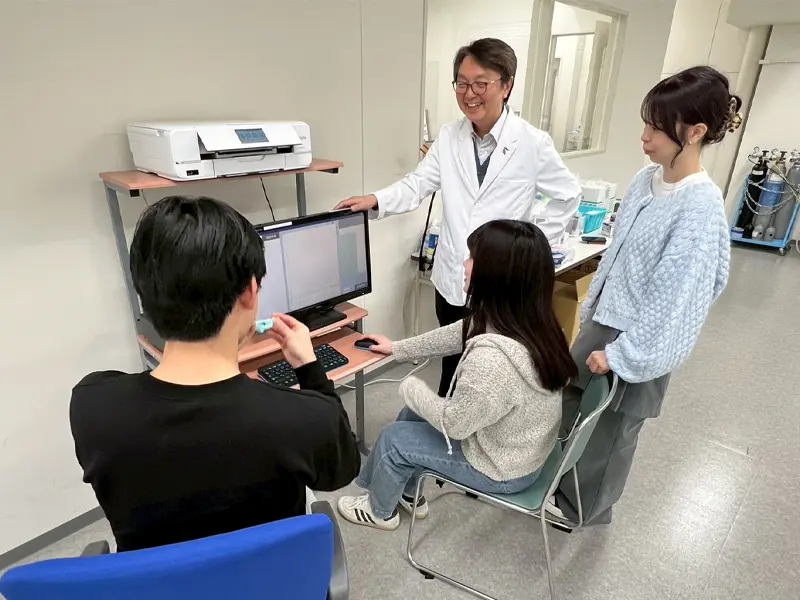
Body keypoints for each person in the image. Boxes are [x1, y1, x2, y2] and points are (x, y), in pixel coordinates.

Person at [70, 196, 361, 552]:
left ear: (144, 292)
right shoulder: (305, 419)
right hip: (270, 577)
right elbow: (343, 468)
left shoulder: (91, 404)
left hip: (160, 581)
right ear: (250, 291)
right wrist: (309, 367)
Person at [336, 37, 581, 398]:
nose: (469, 94)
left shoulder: (532, 142)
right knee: (452, 366)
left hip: (502, 283)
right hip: (452, 276)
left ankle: (472, 429)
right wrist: (375, 199)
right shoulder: (450, 136)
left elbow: (568, 195)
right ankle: (447, 421)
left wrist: (524, 249)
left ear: (507, 85)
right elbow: (418, 183)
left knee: (493, 372)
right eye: (462, 83)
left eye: (481, 83)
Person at [550, 66, 738, 526]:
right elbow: (617, 257)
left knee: (611, 431)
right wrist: (594, 318)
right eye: (647, 123)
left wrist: (624, 354)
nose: (645, 136)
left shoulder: (700, 206)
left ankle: (585, 512)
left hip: (641, 338)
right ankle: (554, 490)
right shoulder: (644, 181)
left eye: (657, 127)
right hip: (603, 321)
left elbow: (679, 298)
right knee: (571, 408)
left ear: (694, 132)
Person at [335, 220, 578, 530]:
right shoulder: (530, 322)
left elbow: (455, 425)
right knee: (411, 416)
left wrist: (411, 387)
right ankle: (408, 493)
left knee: (393, 439)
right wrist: (396, 349)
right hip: (521, 447)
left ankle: (379, 511)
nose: (464, 265)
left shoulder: (492, 362)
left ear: (496, 274)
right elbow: (459, 333)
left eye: (472, 258)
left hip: (502, 468)